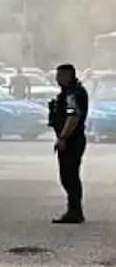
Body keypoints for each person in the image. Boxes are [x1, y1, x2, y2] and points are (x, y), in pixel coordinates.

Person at [49, 63, 89, 224]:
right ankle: (74, 209)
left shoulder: (73, 94)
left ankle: (75, 211)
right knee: (69, 175)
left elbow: (73, 117)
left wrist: (63, 138)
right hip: (72, 139)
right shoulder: (70, 92)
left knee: (69, 175)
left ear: (68, 76)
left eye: (60, 75)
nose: (57, 79)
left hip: (72, 140)